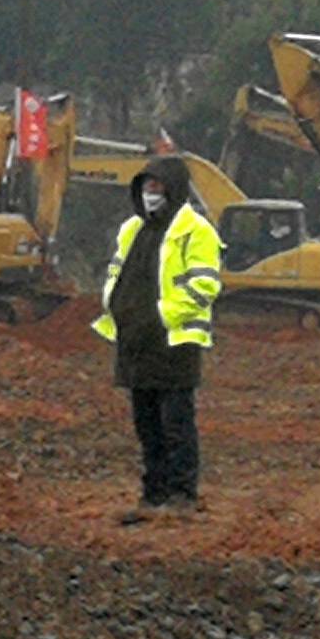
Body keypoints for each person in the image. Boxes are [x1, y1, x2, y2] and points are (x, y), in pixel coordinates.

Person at [92, 152, 222, 521]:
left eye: (158, 187)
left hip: (173, 345)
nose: (151, 193)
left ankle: (182, 495)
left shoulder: (196, 231)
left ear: (174, 189)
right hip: (136, 345)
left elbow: (204, 285)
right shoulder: (132, 230)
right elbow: (118, 276)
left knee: (176, 424)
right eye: (147, 186)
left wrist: (162, 317)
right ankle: (153, 495)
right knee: (146, 426)